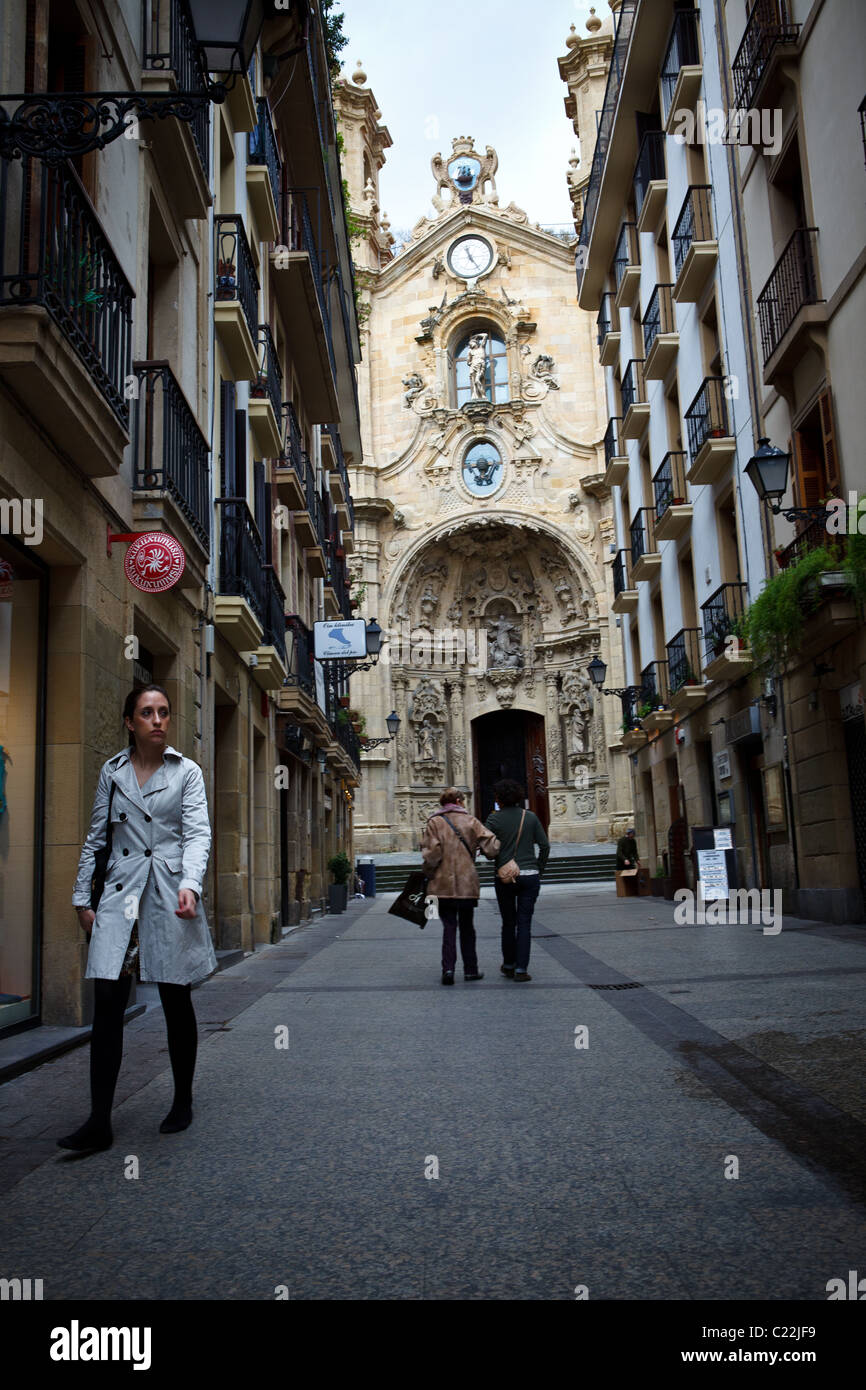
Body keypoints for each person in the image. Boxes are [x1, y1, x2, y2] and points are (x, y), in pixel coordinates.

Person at [60, 685, 216, 1153]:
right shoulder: (112, 771)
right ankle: (99, 1121)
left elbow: (197, 834)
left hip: (169, 890)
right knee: (107, 998)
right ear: (130, 721)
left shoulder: (186, 771)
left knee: (174, 994)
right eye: (147, 712)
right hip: (120, 892)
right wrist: (81, 897)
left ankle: (182, 1099)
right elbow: (95, 837)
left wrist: (190, 884)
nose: (158, 720)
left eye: (164, 712)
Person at [420, 787, 499, 986]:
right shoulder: (471, 821)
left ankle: (448, 969)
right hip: (466, 884)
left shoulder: (434, 822)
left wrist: (429, 872)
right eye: (462, 800)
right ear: (458, 800)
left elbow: (432, 854)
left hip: (442, 885)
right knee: (467, 927)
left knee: (449, 926)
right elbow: (492, 847)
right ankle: (471, 970)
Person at [486, 779, 550, 982]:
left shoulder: (493, 820)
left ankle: (509, 964)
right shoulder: (530, 817)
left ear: (499, 799)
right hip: (530, 876)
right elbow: (545, 846)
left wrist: (498, 858)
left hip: (505, 876)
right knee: (524, 923)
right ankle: (522, 969)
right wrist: (538, 868)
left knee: (508, 922)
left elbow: (486, 847)